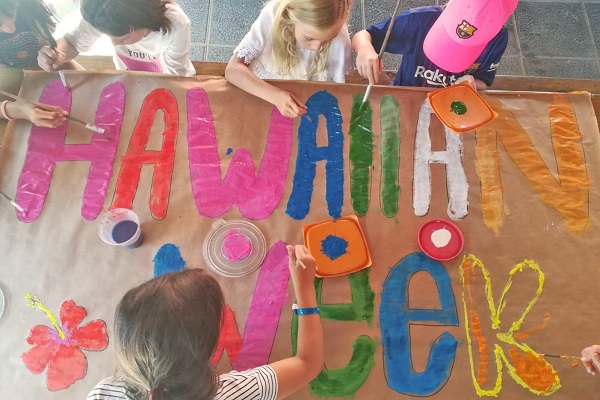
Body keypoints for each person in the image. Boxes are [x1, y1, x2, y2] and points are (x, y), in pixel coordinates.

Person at [86, 244, 324, 400]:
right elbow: (307, 363)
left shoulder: (103, 393)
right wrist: (304, 288)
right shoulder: (234, 393)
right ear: (208, 348)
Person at [225, 0, 353, 118]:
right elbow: (233, 70)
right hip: (261, 92)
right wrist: (275, 96)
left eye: (329, 39)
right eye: (309, 38)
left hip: (305, 104)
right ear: (291, 14)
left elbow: (338, 88)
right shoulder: (273, 16)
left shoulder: (340, 37)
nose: (316, 47)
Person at [353, 0, 515, 90]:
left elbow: (484, 81)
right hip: (407, 94)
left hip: (451, 106)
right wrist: (365, 50)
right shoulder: (419, 21)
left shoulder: (498, 39)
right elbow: (363, 35)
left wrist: (471, 83)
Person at [37, 0, 195, 76]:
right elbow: (72, 42)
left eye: (122, 39)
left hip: (173, 78)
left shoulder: (177, 24)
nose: (114, 43)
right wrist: (54, 54)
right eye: (108, 36)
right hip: (130, 79)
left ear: (142, 21)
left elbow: (175, 78)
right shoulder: (101, 13)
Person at [0, 0, 66, 127]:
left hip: (42, 68)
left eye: (12, 16)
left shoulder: (28, 5)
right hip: (8, 79)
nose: (11, 29)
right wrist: (21, 111)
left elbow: (46, 38)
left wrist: (46, 49)